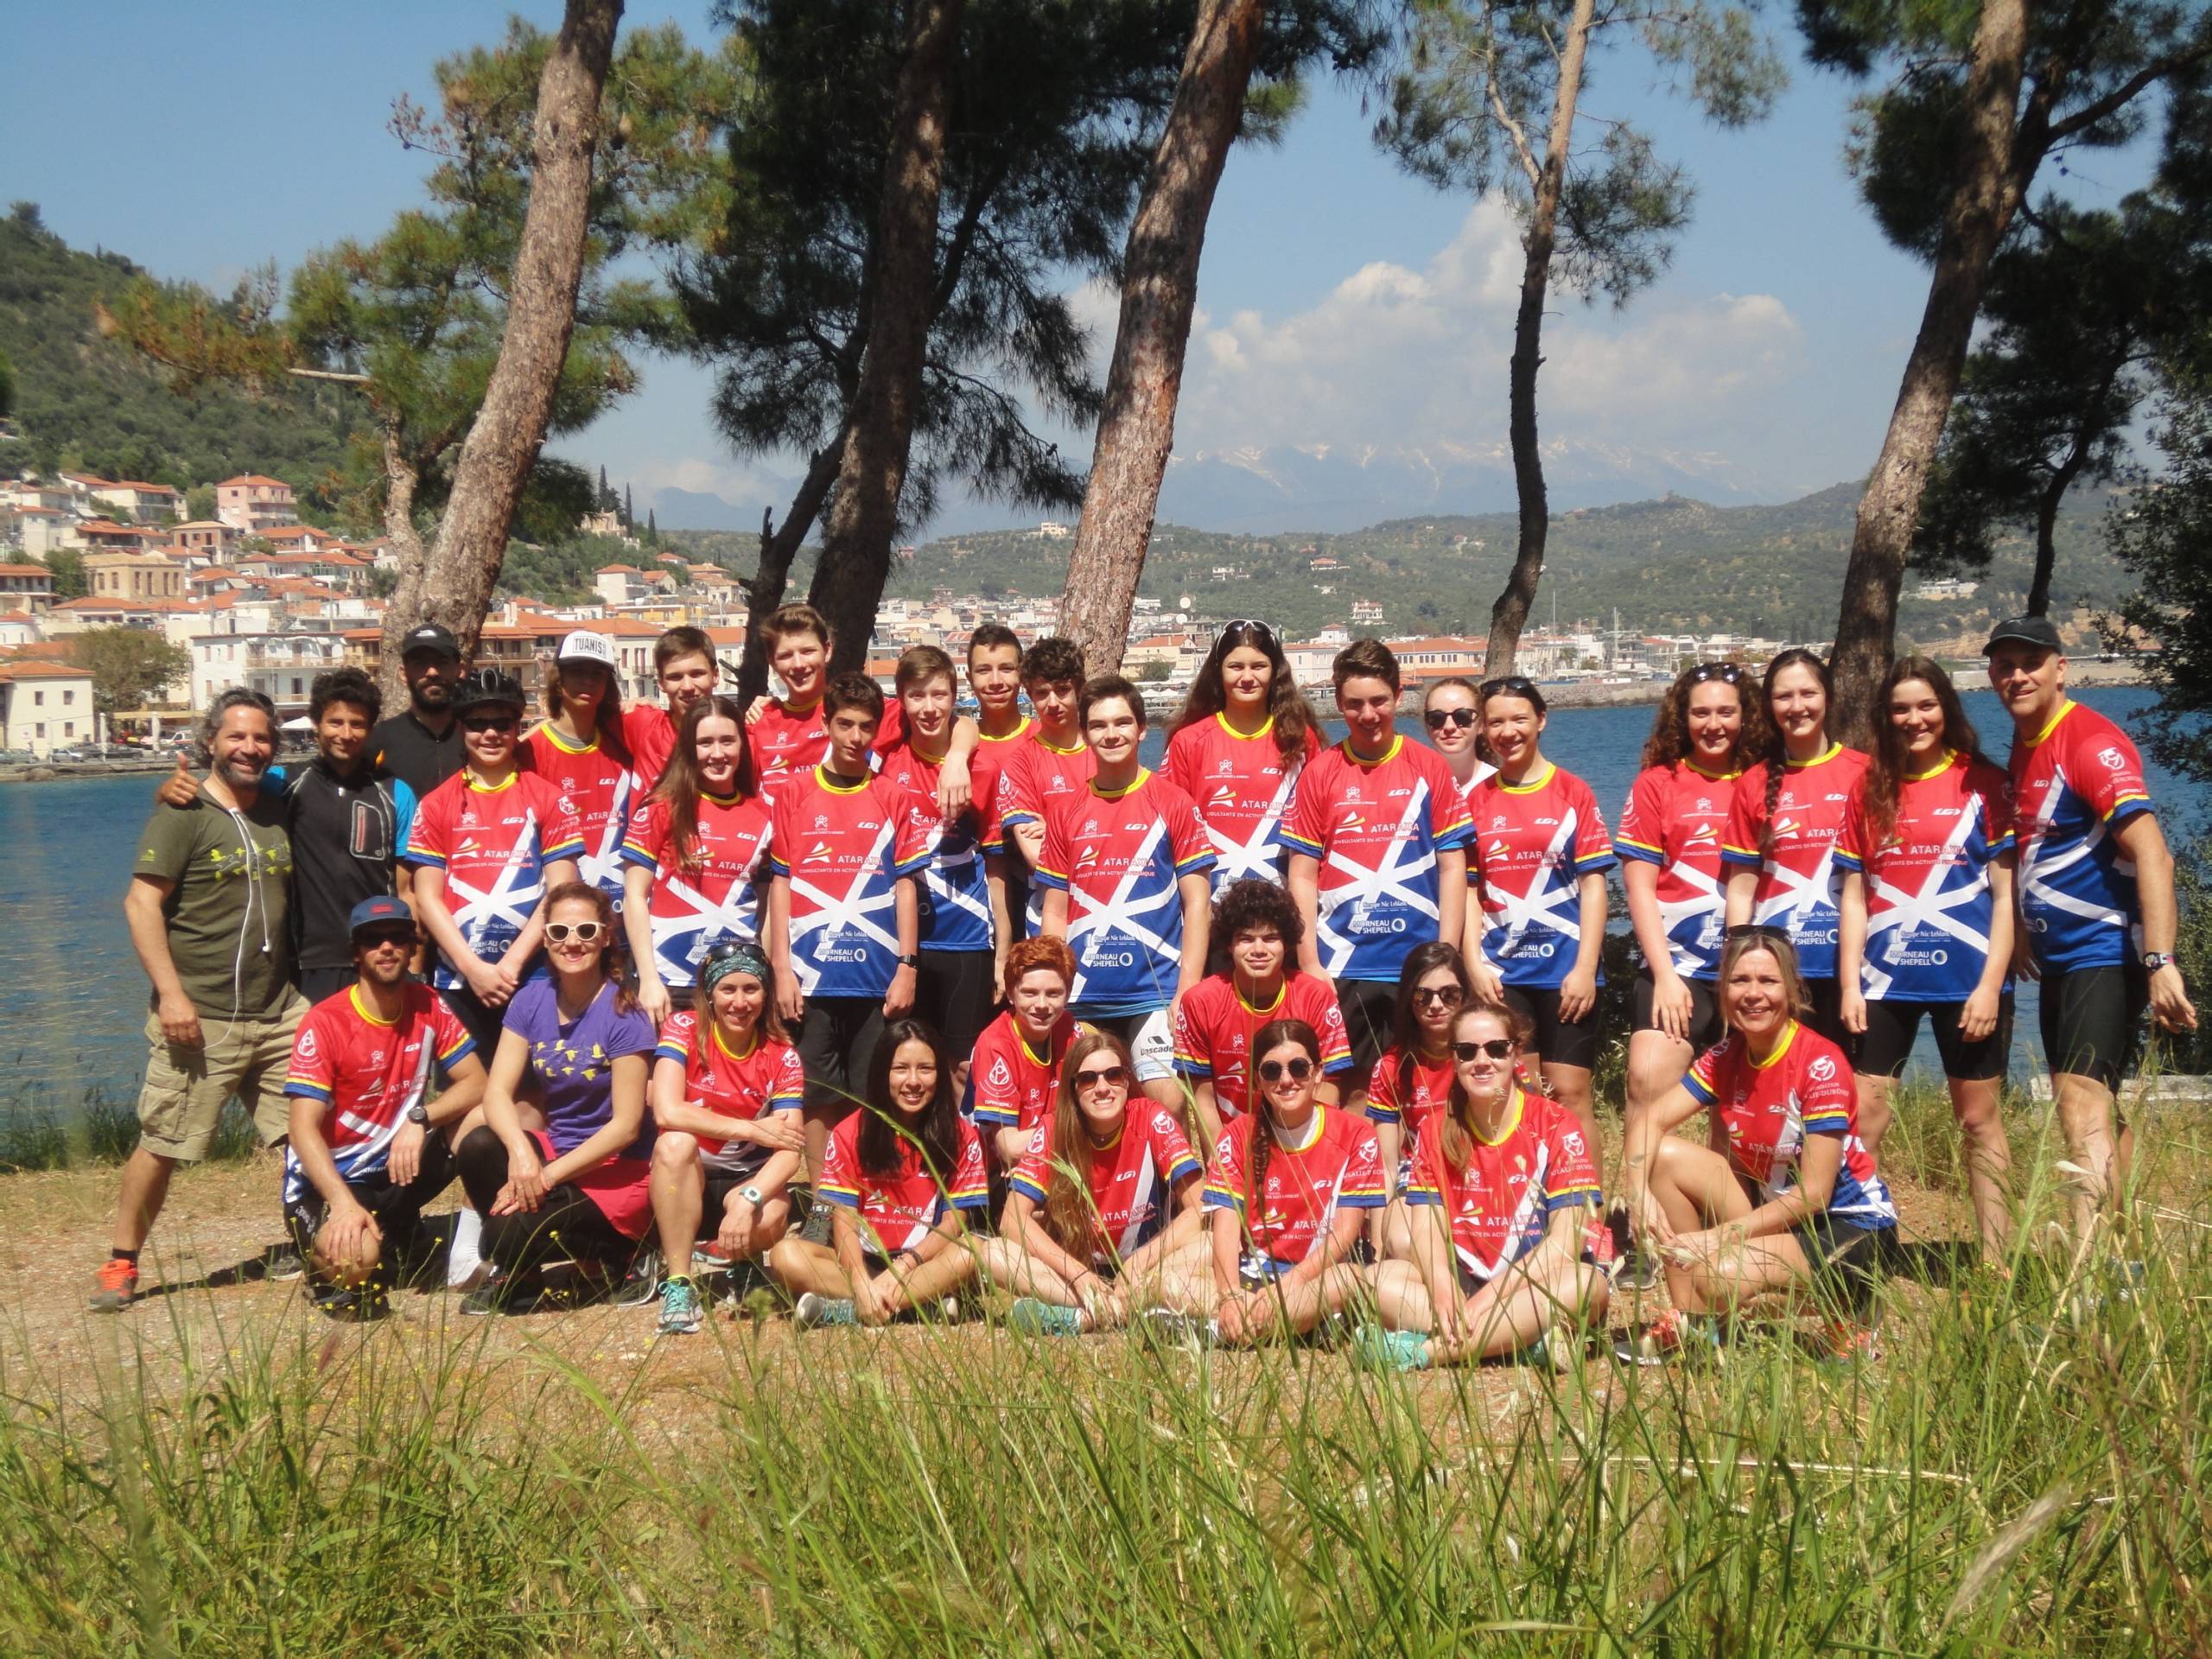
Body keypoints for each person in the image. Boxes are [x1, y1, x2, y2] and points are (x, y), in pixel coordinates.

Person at [1986, 614, 2196, 1238]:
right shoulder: (2027, 745)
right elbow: (2043, 846)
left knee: (2078, 1104)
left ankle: (2088, 1267)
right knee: (2091, 1100)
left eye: (2031, 662)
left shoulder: (2089, 743)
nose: (2017, 675)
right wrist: (2022, 925)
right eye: (2005, 665)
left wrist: (2160, 961)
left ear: (2060, 668)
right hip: (2062, 959)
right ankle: (2126, 1242)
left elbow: (2154, 853)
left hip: (2104, 950)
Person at [96, 688, 304, 1310]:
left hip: (278, 1010)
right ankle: (121, 1261)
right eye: (237, 736)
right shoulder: (181, 813)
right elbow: (141, 904)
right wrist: (171, 997)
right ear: (210, 741)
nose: (250, 747)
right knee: (164, 1142)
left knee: (309, 1133)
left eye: (261, 737)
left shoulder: (278, 804)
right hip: (201, 1014)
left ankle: (313, 1236)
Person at [1619, 931, 1896, 1362]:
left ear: (1792, 989)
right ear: (1723, 988)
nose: (1753, 994)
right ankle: (1690, 1322)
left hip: (1849, 1226)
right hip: (1778, 1209)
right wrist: (1636, 1192)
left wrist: (1716, 1239)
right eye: (1739, 980)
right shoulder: (1728, 1052)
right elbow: (1650, 1119)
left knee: (1716, 1277)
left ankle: (1853, 1308)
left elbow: (1815, 1193)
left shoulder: (1819, 1063)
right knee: (1663, 1158)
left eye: (1767, 981)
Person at [1836, 657, 2018, 1259]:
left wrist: (1992, 984)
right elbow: (1856, 897)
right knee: (1864, 1119)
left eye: (1926, 705)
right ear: (1885, 719)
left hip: (1968, 982)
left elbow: (2003, 896)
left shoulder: (1983, 783)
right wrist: (1849, 986)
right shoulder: (1869, 788)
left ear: (1946, 708)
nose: (1914, 719)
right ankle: (1863, 1250)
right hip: (1884, 984)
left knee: (1978, 1122)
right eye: (1900, 709)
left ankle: (1997, 1261)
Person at [1363, 999, 1607, 1369]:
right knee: (1375, 1281)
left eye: (1496, 1048)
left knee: (1588, 1285)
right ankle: (1524, 1341)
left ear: (1516, 1054)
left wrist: (1485, 1302)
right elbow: (1427, 1225)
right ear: (1454, 1059)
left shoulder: (1556, 1124)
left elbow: (1565, 1243)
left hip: (1534, 1281)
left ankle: (1422, 1353)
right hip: (1466, 1279)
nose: (1482, 1061)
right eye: (1466, 1051)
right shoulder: (1434, 1129)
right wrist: (1443, 1286)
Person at [154, 664, 418, 1003]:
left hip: (376, 956)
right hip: (304, 962)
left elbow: (407, 889)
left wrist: (414, 965)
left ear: (371, 729)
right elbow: (219, 794)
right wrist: (166, 792)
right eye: (335, 722)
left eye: (357, 724)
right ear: (316, 725)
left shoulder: (396, 793)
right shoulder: (283, 782)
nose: (346, 734)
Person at [1284, 639, 1470, 1112]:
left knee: (1430, 1088)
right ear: (1338, 702)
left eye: (1379, 701)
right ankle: (1361, 1185)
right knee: (1352, 1092)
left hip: (1417, 964)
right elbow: (1302, 876)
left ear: (1399, 695)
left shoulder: (1429, 766)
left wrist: (1444, 957)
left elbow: (1452, 866)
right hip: (1345, 963)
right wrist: (1310, 963)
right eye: (1354, 704)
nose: (1368, 714)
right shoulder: (1320, 773)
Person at [455, 882, 659, 1313]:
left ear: (605, 937)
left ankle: (623, 1256)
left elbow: (625, 1128)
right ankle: (523, 1275)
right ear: (544, 938)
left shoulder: (626, 1012)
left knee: (502, 1235)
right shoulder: (531, 999)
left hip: (616, 1171)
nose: (573, 943)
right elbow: (496, 1093)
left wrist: (545, 1178)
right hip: (557, 1149)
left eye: (586, 931)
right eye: (559, 932)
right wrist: (520, 1152)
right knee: (477, 1144)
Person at [279, 897, 488, 1317]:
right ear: (356, 952)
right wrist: (340, 1203)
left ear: (413, 948)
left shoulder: (429, 1004)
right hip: (334, 1179)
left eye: (398, 938)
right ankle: (353, 1252)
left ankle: (464, 1254)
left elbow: (477, 1082)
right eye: (373, 940)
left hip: (397, 1164)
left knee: (487, 1120)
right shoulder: (325, 1021)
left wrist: (421, 1116)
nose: (387, 948)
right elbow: (302, 1129)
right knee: (356, 1262)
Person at [765, 671, 929, 1181]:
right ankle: (822, 1197)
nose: (856, 738)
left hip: (877, 976)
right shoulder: (793, 793)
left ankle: (866, 1190)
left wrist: (908, 966)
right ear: (827, 723)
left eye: (865, 727)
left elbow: (906, 887)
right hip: (811, 975)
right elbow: (781, 885)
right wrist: (782, 969)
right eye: (845, 725)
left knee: (871, 1089)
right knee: (816, 1094)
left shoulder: (892, 796)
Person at [1036, 675, 1215, 1114]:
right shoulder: (1065, 812)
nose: (1111, 734)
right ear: (1085, 735)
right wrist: (1053, 988)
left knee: (1164, 1105)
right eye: (1098, 725)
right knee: (1088, 1110)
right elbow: (1054, 914)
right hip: (1084, 994)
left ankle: (1164, 1186)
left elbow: (1198, 904)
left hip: (1155, 992)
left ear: (1141, 729)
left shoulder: (1172, 802)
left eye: (1121, 723)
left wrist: (1186, 991)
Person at [1464, 676, 1617, 1149]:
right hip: (1503, 973)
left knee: (1570, 1094)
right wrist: (1473, 964)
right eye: (1496, 722)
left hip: (1564, 971)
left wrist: (1586, 968)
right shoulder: (1475, 800)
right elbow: (1469, 891)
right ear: (1484, 731)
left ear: (1541, 720)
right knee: (1518, 1093)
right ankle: (1525, 1204)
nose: (1507, 731)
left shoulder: (1574, 792)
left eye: (1519, 719)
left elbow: (1594, 885)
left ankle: (1587, 1215)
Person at [977, 1028, 1209, 1336]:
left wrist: (1140, 1263)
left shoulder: (1152, 1117)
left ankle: (1092, 1317)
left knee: (1211, 1242)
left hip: (1149, 1266)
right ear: (1073, 1088)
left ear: (1127, 1080)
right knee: (993, 1253)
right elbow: (1011, 1221)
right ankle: (1123, 1309)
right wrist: (1078, 1274)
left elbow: (1199, 1208)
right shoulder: (1052, 1129)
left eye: (1113, 1075)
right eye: (1088, 1079)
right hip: (1077, 1274)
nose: (1103, 1088)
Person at [404, 669, 584, 1056]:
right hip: (459, 980)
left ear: (518, 726)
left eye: (502, 723)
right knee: (467, 1098)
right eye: (477, 724)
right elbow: (427, 898)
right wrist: (473, 969)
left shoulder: (547, 798)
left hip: (536, 974)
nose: (490, 734)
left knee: (533, 1099)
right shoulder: (436, 803)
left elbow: (562, 891)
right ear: (460, 728)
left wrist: (511, 966)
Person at [765, 1019, 989, 1327]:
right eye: (900, 1069)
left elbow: (956, 1219)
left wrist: (905, 1265)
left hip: (923, 1260)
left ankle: (856, 1308)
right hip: (862, 1260)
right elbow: (844, 1215)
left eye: (925, 1068)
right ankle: (915, 1303)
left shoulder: (963, 1136)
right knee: (785, 1255)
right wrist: (859, 1281)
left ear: (939, 1075)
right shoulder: (850, 1131)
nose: (913, 1081)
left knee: (973, 1250)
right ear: (883, 1073)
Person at [1619, 663, 1763, 1124]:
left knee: (1743, 1103)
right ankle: (1639, 1195)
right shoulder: (1657, 783)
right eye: (1701, 713)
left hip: (1753, 967)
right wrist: (1663, 975)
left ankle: (1735, 1194)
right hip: (1678, 966)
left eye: (1726, 712)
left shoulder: (1767, 780)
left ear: (1746, 716)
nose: (1714, 725)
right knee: (1647, 1080)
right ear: (1683, 718)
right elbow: (1639, 886)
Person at [643, 940, 806, 1335]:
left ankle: (744, 1266)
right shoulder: (683, 1028)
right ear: (709, 995)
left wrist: (748, 1201)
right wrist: (751, 1128)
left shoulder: (782, 1053)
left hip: (743, 1180)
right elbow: (667, 1110)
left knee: (773, 1212)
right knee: (674, 1142)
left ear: (765, 994)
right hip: (685, 1178)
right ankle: (679, 1282)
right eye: (727, 990)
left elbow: (789, 1150)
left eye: (751, 989)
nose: (740, 1002)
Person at [1199, 1019, 1385, 1345]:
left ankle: (1221, 1331)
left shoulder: (1357, 1135)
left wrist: (1291, 1283)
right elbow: (1226, 1229)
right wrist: (1229, 1296)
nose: (1286, 1080)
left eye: (1299, 1068)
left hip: (1320, 1275)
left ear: (1318, 1074)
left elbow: (1345, 1233)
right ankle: (1306, 1326)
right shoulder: (1237, 1134)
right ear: (1258, 1080)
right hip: (1254, 1273)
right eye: (1272, 1071)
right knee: (1173, 1275)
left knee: (1352, 1279)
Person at [1723, 650, 1868, 1042]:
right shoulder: (1753, 782)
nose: (1797, 706)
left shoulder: (1865, 772)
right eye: (1784, 697)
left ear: (1828, 698)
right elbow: (1741, 887)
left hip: (1853, 965)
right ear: (1770, 706)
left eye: (1808, 694)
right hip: (1780, 969)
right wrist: (1737, 961)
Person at [877, 645, 996, 1093]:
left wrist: (958, 756)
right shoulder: (885, 757)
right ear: (900, 700)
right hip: (898, 941)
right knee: (906, 1066)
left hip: (964, 938)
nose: (929, 708)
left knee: (963, 1068)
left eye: (940, 696)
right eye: (916, 697)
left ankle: (972, 1162)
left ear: (955, 695)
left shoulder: (980, 767)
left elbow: (998, 863)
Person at [621, 696, 774, 1027]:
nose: (717, 754)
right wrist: (649, 979)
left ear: (742, 745)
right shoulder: (661, 807)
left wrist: (765, 975)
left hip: (736, 991)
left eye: (727, 741)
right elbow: (634, 895)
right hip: (669, 984)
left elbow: (766, 908)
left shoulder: (764, 815)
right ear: (689, 748)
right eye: (705, 742)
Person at [1171, 878, 1351, 1151]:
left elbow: (1328, 1085)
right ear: (1229, 945)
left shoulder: (1316, 996)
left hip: (1301, 1139)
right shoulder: (1199, 1001)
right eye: (1246, 939)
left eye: (1270, 938)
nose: (1258, 950)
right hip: (1234, 1143)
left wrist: (1307, 1147)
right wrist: (1222, 1157)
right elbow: (1202, 1096)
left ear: (1287, 944)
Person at [745, 603, 979, 810]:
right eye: (786, 655)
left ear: (827, 651)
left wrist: (956, 760)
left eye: (807, 651)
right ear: (771, 661)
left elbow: (959, 722)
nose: (798, 664)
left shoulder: (866, 710)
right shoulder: (761, 722)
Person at [1163, 619, 1321, 893]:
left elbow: (1319, 827)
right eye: (1236, 667)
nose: (1247, 677)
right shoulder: (1188, 741)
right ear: (1218, 671)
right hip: (1212, 905)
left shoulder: (1300, 739)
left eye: (1258, 666)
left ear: (1275, 672)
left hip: (1282, 910)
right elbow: (1170, 831)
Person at [1365, 941, 1478, 1255]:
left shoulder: (1488, 1053)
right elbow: (1386, 1166)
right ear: (1408, 1001)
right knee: (1402, 1244)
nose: (1436, 1004)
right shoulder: (1391, 1066)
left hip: (1482, 1168)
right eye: (1422, 995)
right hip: (1419, 1175)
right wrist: (1378, 1243)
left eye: (1449, 994)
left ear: (1465, 996)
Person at [524, 630, 636, 911]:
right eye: (577, 672)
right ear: (558, 678)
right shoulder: (529, 751)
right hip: (560, 913)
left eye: (597, 674)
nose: (587, 681)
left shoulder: (625, 740)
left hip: (623, 908)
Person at [991, 635, 1092, 936]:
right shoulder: (1021, 763)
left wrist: (1056, 830)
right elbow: (1036, 857)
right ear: (1029, 695)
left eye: (1062, 691)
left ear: (1079, 687)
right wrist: (1099, 832)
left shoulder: (1107, 748)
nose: (1052, 703)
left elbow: (1132, 839)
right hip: (1049, 918)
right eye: (1042, 693)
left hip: (1113, 904)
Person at [969, 937, 1081, 1169]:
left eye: (1053, 993)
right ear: (1011, 993)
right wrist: (1081, 1128)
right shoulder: (995, 1044)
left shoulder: (1070, 1028)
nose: (1042, 1004)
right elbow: (1009, 1149)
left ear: (1068, 994)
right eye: (1030, 993)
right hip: (999, 1172)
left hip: (1055, 1158)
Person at [963, 623, 1033, 963]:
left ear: (1021, 673)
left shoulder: (1041, 739)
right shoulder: (959, 746)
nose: (995, 682)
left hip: (1036, 886)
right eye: (984, 670)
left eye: (1006, 669)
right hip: (975, 893)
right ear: (968, 676)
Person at [618, 625, 723, 791]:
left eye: (697, 674)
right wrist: (620, 705)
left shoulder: (737, 737)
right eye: (675, 677)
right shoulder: (642, 724)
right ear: (660, 683)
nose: (687, 686)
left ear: (715, 675)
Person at [371, 621, 467, 796]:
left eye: (442, 663)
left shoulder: (477, 737)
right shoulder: (380, 740)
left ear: (459, 670)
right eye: (420, 665)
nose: (432, 672)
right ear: (403, 673)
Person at [1421, 675, 1496, 810]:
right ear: (1427, 725)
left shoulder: (1500, 786)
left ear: (1481, 724)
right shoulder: (1415, 786)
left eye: (1462, 716)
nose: (1449, 726)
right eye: (1437, 718)